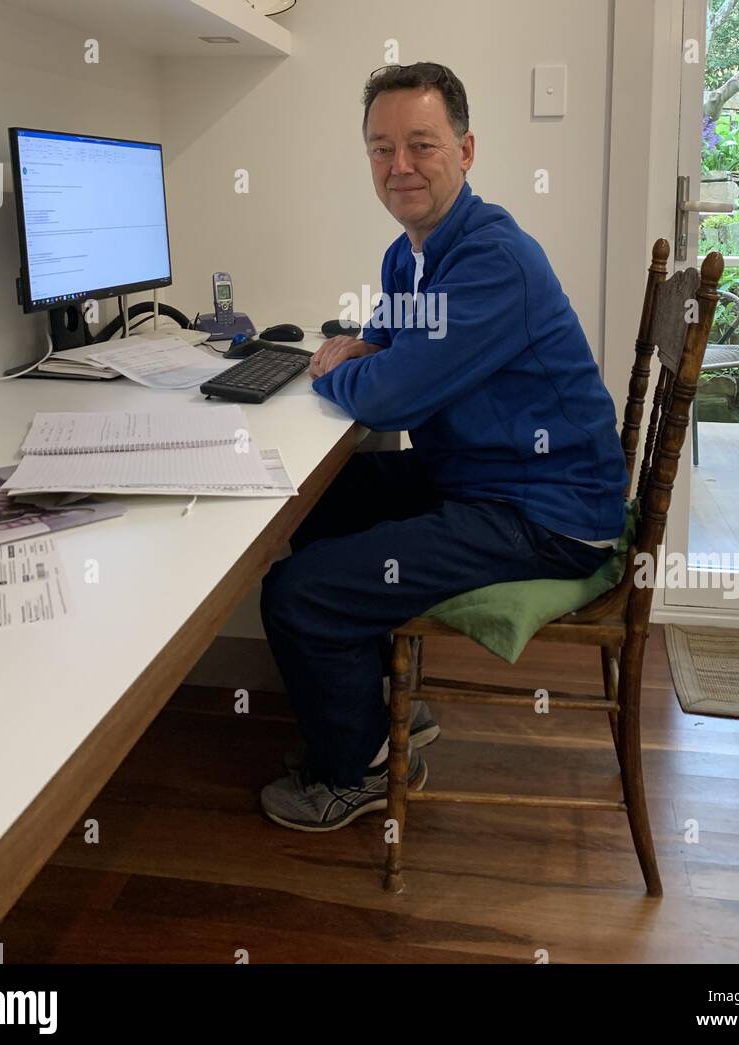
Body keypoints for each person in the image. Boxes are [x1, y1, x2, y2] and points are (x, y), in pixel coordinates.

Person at [259, 61, 627, 832]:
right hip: (484, 474)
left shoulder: (491, 260)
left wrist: (331, 369)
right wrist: (360, 354)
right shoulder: (411, 253)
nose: (399, 167)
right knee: (315, 504)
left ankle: (353, 772)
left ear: (464, 151)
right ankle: (380, 711)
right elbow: (387, 349)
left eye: (420, 145)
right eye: (379, 148)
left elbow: (390, 389)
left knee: (300, 592)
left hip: (547, 512)